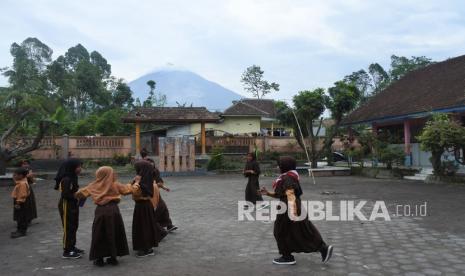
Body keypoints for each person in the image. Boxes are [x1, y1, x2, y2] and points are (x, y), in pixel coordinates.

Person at [260, 156, 333, 265]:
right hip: (291, 206)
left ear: (285, 166)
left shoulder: (287, 178)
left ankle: (287, 257)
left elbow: (290, 195)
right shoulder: (289, 176)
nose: (278, 167)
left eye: (280, 165)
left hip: (288, 207)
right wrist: (268, 193)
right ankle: (323, 248)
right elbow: (284, 194)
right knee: (302, 229)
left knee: (280, 231)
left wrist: (292, 213)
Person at [76, 166, 140, 267]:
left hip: (100, 211)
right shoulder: (115, 184)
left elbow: (79, 194)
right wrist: (136, 183)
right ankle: (113, 257)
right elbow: (129, 190)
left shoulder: (93, 185)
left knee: (99, 233)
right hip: (114, 211)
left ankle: (99, 259)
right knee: (113, 232)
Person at [132, 160, 167, 257]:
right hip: (143, 206)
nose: (137, 171)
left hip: (143, 206)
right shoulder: (147, 179)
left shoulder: (143, 182)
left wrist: (136, 182)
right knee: (145, 226)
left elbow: (134, 192)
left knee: (143, 227)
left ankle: (145, 248)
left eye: (138, 169)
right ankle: (147, 247)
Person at [55, 158, 84, 259]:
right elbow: (66, 195)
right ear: (72, 167)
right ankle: (67, 251)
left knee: (74, 226)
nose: (80, 169)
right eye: (79, 167)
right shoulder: (66, 179)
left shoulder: (73, 177)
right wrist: (78, 195)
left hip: (72, 204)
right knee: (68, 227)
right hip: (66, 205)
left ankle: (72, 246)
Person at [146, 158, 178, 233]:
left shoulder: (155, 171)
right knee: (154, 210)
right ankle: (155, 226)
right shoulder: (144, 173)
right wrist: (155, 185)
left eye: (152, 163)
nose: (151, 164)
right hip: (148, 194)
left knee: (163, 207)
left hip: (156, 193)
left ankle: (169, 225)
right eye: (149, 163)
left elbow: (159, 181)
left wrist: (164, 187)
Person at [10, 167, 33, 238]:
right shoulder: (21, 181)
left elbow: (22, 195)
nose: (14, 176)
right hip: (19, 201)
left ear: (21, 176)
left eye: (15, 175)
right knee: (19, 216)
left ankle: (22, 231)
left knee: (22, 217)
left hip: (21, 202)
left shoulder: (22, 184)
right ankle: (19, 230)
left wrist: (18, 203)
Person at [20, 160, 38, 224]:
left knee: (30, 203)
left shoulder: (29, 171)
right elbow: (17, 179)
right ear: (21, 165)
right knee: (22, 203)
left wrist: (32, 177)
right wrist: (28, 176)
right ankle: (22, 219)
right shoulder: (19, 171)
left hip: (28, 188)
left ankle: (29, 218)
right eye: (24, 164)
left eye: (27, 164)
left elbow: (33, 181)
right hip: (21, 188)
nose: (25, 165)